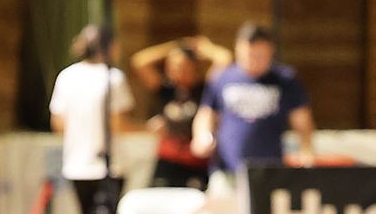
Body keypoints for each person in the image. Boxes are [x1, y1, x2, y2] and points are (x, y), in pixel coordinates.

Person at [194, 22, 315, 178]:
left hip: (269, 171)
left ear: (270, 52)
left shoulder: (285, 79)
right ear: (238, 49)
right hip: (227, 169)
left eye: (259, 56)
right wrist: (203, 135)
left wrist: (306, 149)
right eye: (248, 55)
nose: (253, 61)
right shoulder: (222, 77)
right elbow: (207, 112)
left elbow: (302, 119)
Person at [49, 24, 136, 214]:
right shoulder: (112, 78)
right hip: (109, 164)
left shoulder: (66, 77)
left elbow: (58, 123)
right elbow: (119, 124)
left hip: (76, 163)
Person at [130, 35, 233, 189]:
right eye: (171, 65)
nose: (175, 70)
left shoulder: (206, 90)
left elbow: (225, 58)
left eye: (181, 65)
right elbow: (139, 61)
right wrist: (175, 45)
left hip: (196, 164)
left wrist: (203, 47)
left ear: (193, 66)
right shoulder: (166, 90)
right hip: (168, 161)